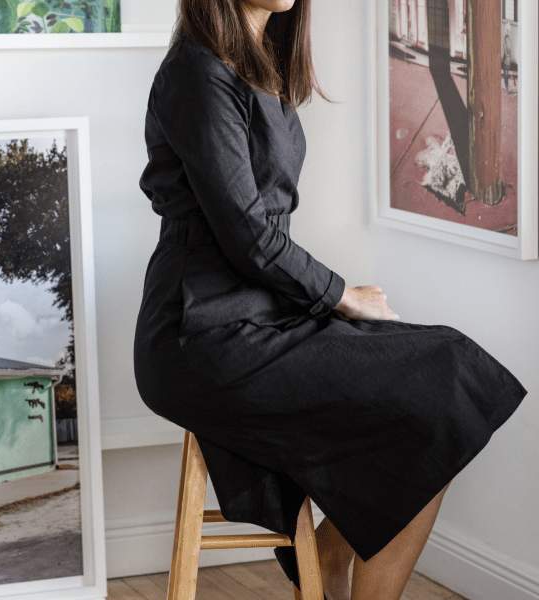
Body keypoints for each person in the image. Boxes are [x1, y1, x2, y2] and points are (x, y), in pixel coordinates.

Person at [132, 1, 528, 599]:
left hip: (263, 311)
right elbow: (248, 235)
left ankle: (330, 550)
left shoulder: (258, 61)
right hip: (202, 333)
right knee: (439, 384)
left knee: (447, 379)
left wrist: (329, 299)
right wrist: (342, 295)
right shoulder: (196, 72)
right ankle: (328, 555)